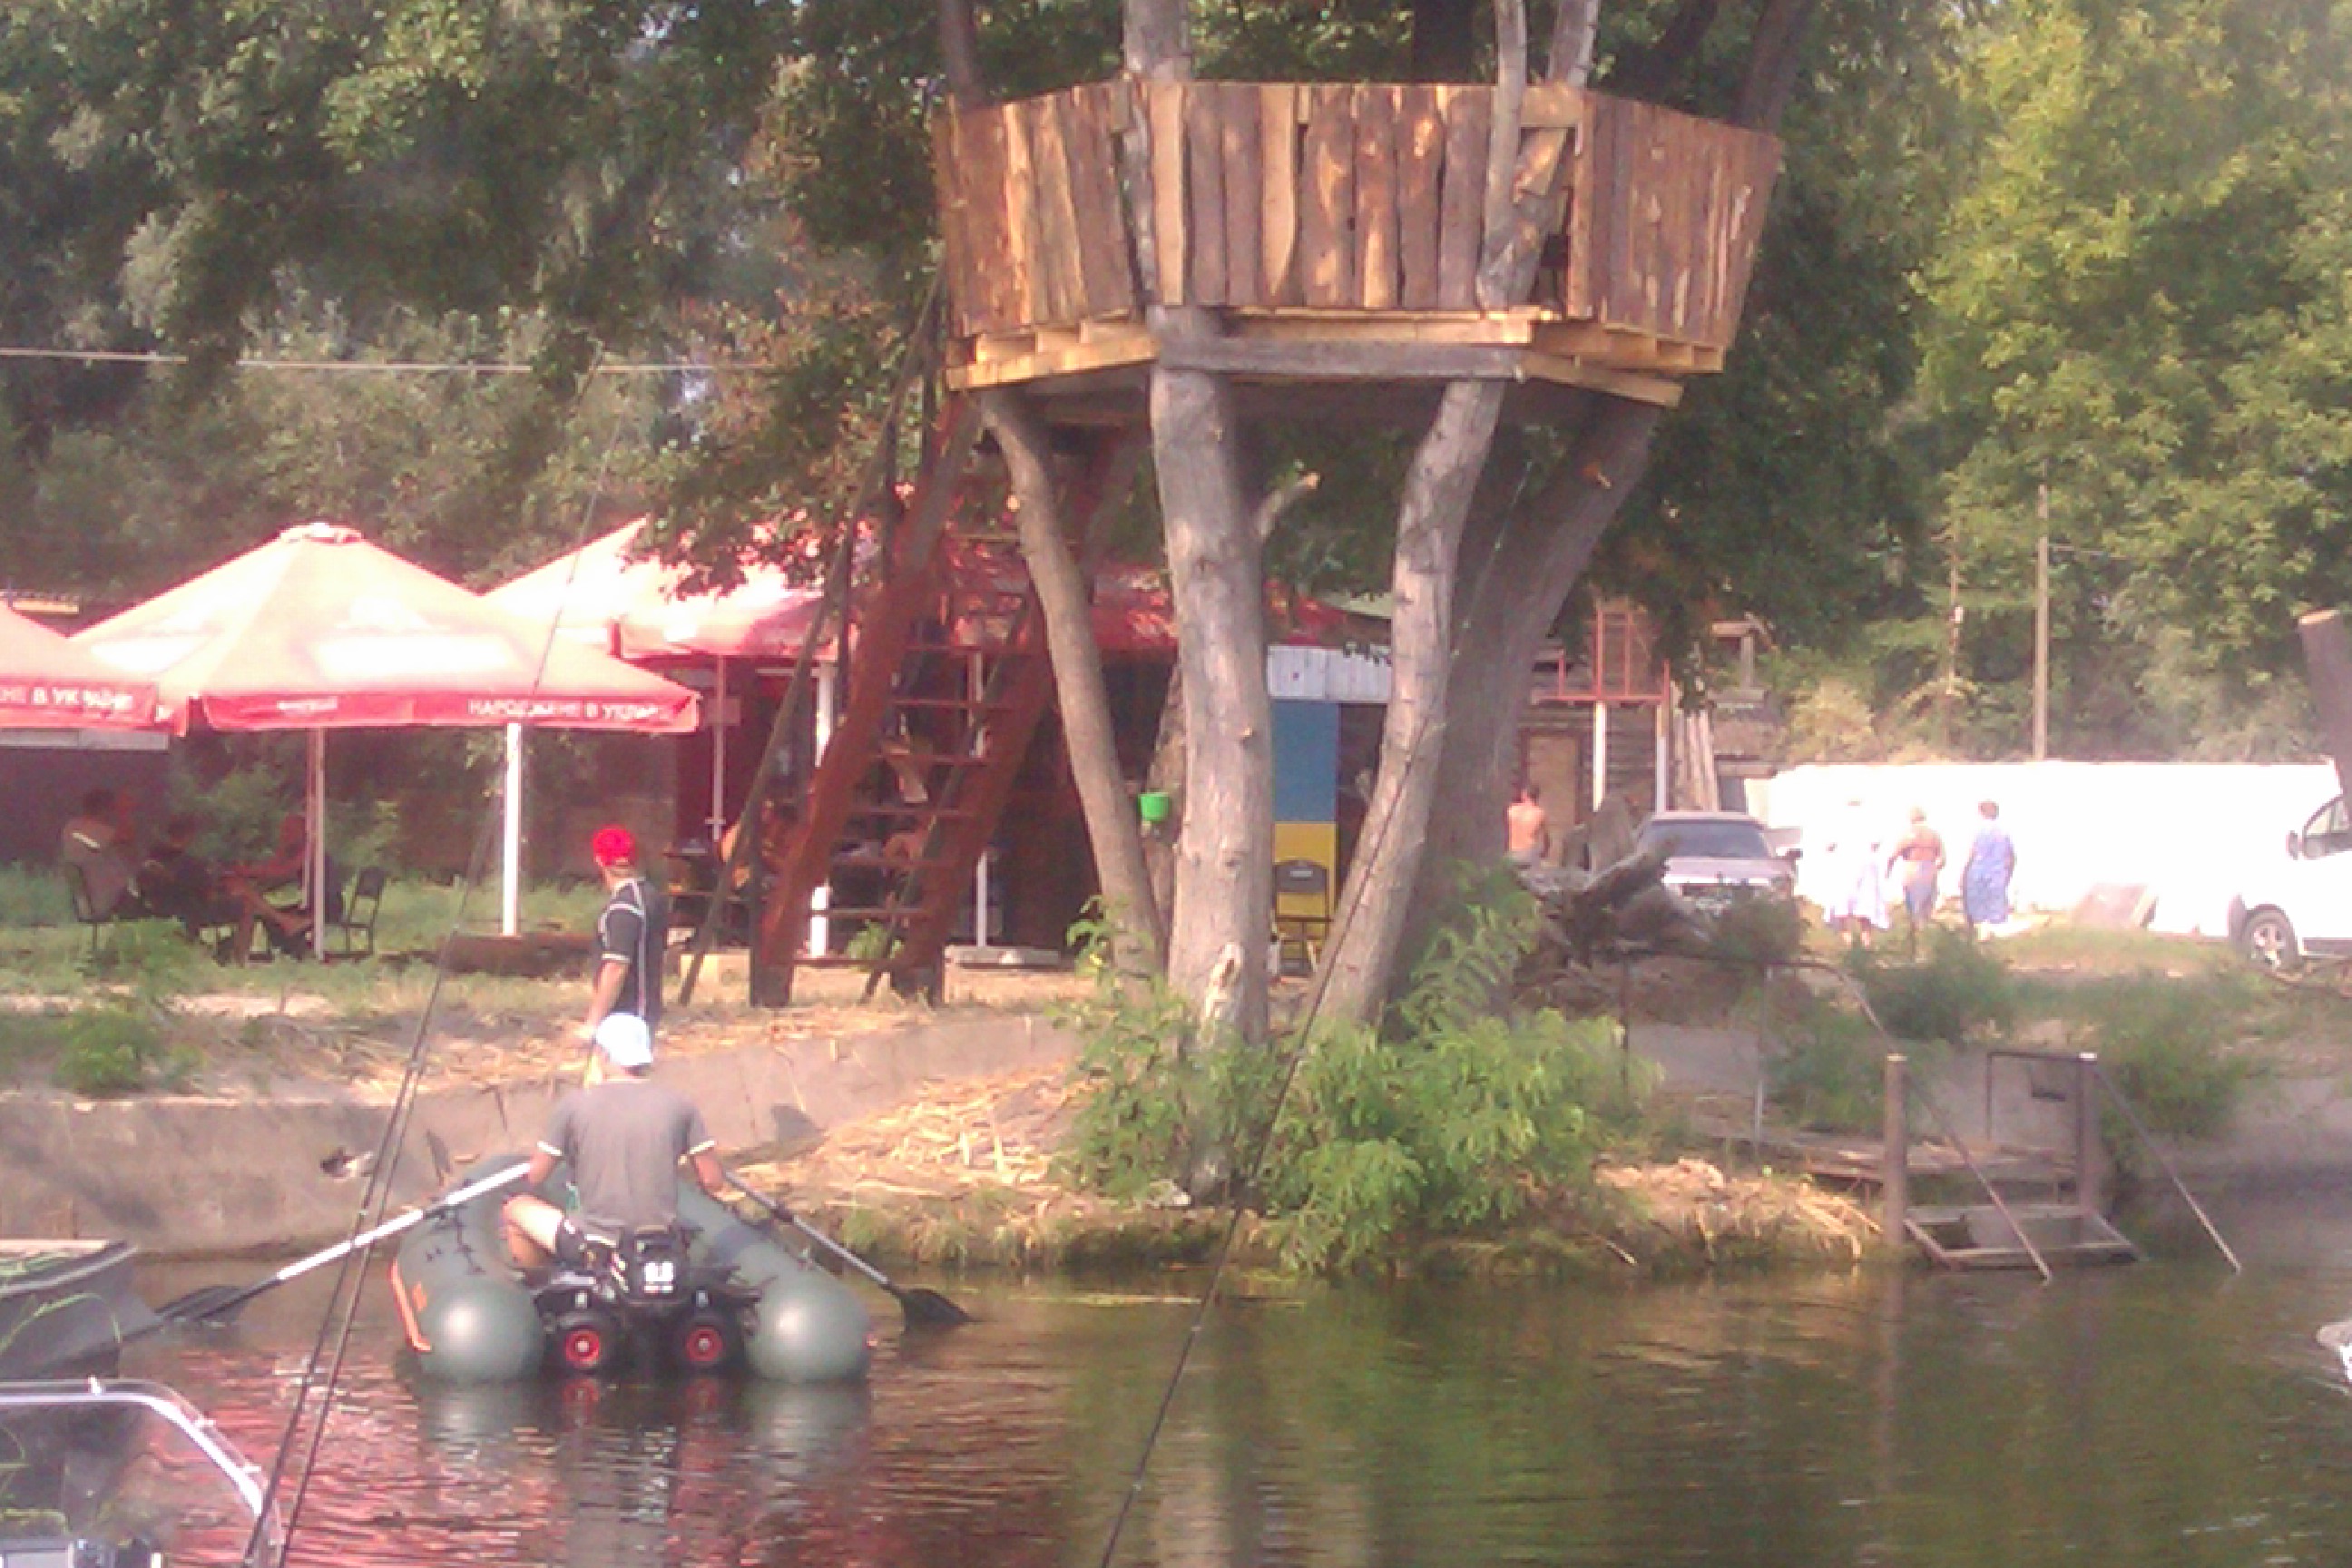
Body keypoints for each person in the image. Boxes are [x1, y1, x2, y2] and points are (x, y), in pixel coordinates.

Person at [502, 1013, 725, 1274]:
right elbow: (713, 1181)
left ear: (602, 1054)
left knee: (516, 1209)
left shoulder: (574, 1105)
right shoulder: (680, 1105)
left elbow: (536, 1175)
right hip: (660, 1243)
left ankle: (538, 1280)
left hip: (594, 1243)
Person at [137, 815, 308, 962]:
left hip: (161, 906)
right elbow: (207, 892)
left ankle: (282, 921)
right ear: (189, 835)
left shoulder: (155, 856)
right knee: (246, 904)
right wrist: (223, 884)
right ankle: (239, 957)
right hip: (193, 910)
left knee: (241, 889)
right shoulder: (188, 863)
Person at [583, 824, 668, 1057]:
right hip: (646, 1011)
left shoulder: (624, 907)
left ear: (599, 861)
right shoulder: (651, 896)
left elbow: (616, 967)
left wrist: (592, 1023)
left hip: (625, 1017)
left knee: (615, 1076)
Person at [59, 788, 140, 919]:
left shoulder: (70, 828)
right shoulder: (102, 832)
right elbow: (130, 851)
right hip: (111, 899)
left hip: (87, 900)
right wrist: (125, 813)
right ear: (104, 809)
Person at [1821, 799, 1888, 948]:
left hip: (1845, 862)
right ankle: (1866, 943)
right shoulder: (1870, 817)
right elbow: (1876, 842)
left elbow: (1828, 845)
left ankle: (1849, 944)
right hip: (1865, 862)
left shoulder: (1838, 818)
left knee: (1842, 906)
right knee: (1866, 904)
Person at [1886, 807, 1945, 946]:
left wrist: (1887, 872)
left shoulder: (1909, 834)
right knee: (1926, 909)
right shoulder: (1934, 835)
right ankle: (1924, 943)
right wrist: (1933, 869)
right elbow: (1943, 859)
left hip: (1913, 867)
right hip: (1930, 869)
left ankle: (1916, 944)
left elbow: (1893, 855)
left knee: (1913, 909)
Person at [1962, 799, 2017, 935]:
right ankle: (1992, 934)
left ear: (1981, 812)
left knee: (1977, 907)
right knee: (1995, 909)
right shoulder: (2004, 832)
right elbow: (2011, 857)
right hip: (1997, 873)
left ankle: (1980, 934)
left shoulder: (1977, 831)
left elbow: (1971, 853)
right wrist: (2008, 875)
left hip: (1977, 872)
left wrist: (1963, 874)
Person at [1506, 783, 1552, 869]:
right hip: (1529, 853)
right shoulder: (1539, 813)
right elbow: (1547, 839)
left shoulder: (1512, 810)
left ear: (1524, 795)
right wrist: (1544, 853)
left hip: (1513, 852)